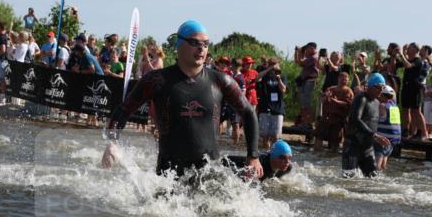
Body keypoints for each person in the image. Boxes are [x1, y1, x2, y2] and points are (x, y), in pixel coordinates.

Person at [102, 20, 263, 180]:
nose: (201, 48)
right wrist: (112, 143)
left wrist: (253, 156)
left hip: (209, 176)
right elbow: (123, 110)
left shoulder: (220, 81)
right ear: (179, 44)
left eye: (206, 44)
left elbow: (248, 112)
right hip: (169, 176)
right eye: (194, 42)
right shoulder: (157, 80)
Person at [341, 72, 390, 178]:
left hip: (367, 148)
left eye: (383, 87)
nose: (381, 90)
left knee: (373, 179)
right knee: (348, 179)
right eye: (378, 87)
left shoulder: (377, 103)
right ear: (370, 87)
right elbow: (355, 119)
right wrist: (375, 136)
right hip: (353, 146)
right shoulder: (361, 99)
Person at [315, 71, 353, 152]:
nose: (343, 81)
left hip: (338, 119)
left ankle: (331, 157)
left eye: (345, 80)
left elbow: (348, 105)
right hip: (326, 117)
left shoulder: (348, 91)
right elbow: (323, 100)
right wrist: (325, 97)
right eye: (342, 79)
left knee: (335, 142)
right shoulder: (331, 89)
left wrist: (335, 101)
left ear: (348, 81)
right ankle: (317, 154)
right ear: (338, 79)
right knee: (318, 137)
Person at [256, 58, 287, 149]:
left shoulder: (282, 76)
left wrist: (278, 78)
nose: (273, 66)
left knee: (276, 137)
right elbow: (257, 78)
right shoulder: (264, 75)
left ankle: (273, 154)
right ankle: (266, 153)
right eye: (271, 64)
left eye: (274, 64)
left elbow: (283, 90)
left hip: (278, 109)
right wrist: (269, 69)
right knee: (265, 136)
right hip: (265, 108)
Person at [226, 140, 294, 182]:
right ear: (273, 157)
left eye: (290, 158)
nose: (287, 161)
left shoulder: (287, 168)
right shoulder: (260, 165)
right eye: (282, 157)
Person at [375, 84, 402, 170]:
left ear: (382, 95)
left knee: (377, 167)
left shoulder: (382, 106)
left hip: (383, 140)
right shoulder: (394, 106)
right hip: (393, 141)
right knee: (383, 165)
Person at [293, 42, 318, 126]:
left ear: (313, 48)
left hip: (310, 81)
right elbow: (298, 62)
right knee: (303, 102)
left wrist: (300, 51)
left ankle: (306, 122)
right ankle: (303, 121)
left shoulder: (314, 57)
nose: (306, 50)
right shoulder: (310, 57)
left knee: (306, 103)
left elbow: (301, 62)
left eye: (308, 48)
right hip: (305, 81)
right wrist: (297, 52)